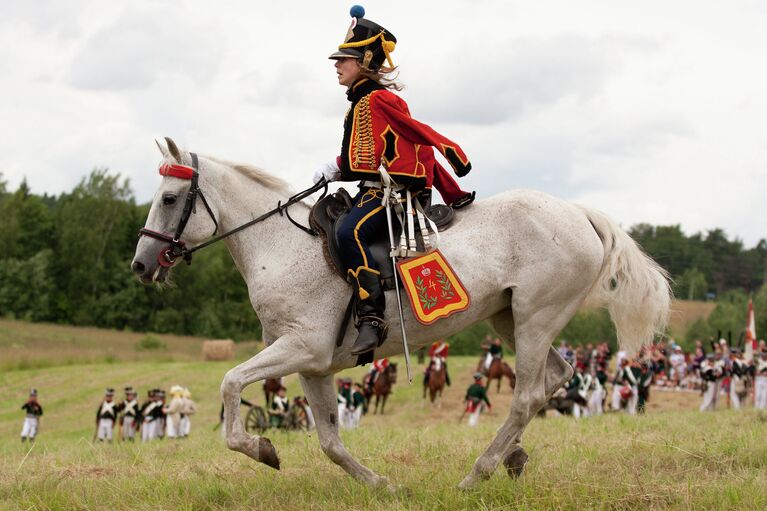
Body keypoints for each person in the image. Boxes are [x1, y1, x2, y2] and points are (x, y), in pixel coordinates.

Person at [317, 6, 475, 356]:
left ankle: (372, 317)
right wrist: (339, 168)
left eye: (344, 59)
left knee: (349, 232)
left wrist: (451, 161)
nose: (337, 65)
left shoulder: (381, 98)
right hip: (369, 190)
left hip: (391, 196)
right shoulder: (358, 103)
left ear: (364, 60)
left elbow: (413, 139)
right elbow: (366, 155)